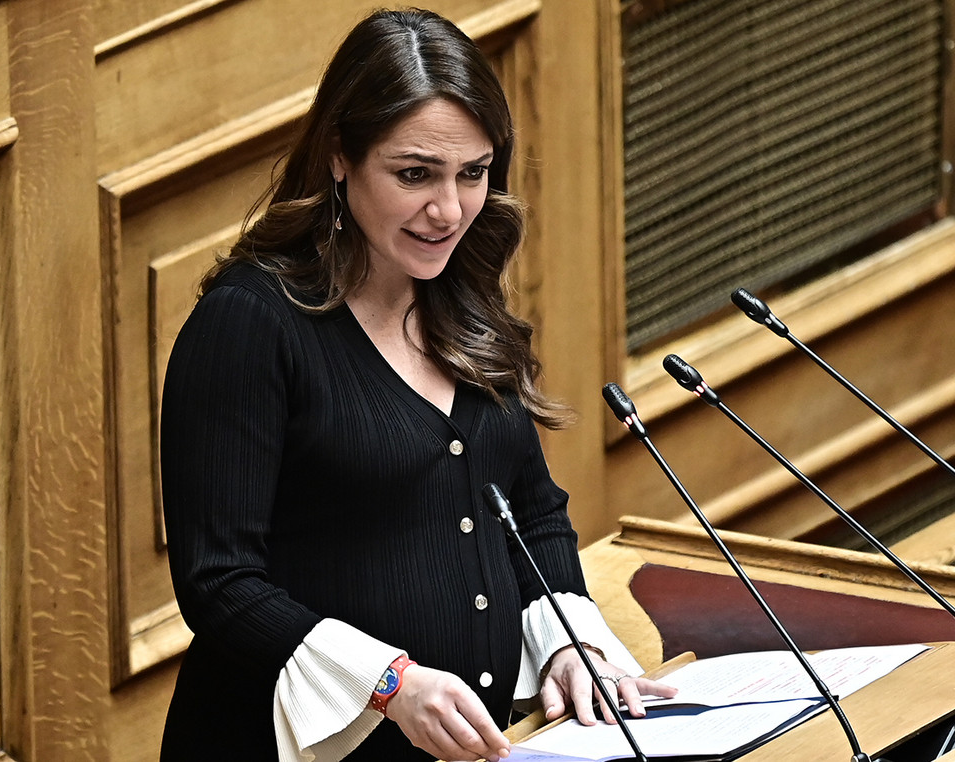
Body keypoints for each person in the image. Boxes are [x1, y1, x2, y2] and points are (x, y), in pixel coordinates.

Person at [158, 8, 675, 761]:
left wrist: (569, 641)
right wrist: (388, 684)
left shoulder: (460, 296)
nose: (449, 210)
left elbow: (529, 509)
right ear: (339, 156)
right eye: (414, 174)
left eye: (474, 173)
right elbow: (220, 584)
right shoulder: (249, 324)